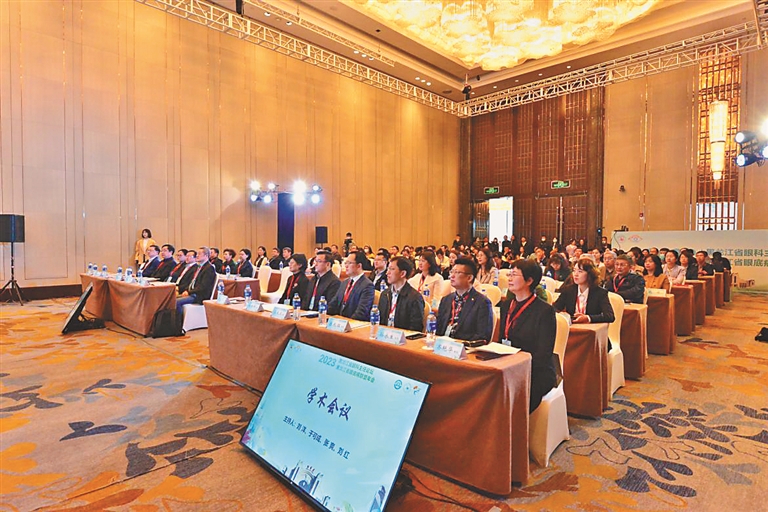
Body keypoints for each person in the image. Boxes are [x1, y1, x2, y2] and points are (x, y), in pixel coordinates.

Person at [501, 259, 557, 412]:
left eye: (514, 275)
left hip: (535, 371)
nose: (509, 278)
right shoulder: (506, 306)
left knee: (514, 394)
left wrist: (518, 368)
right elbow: (502, 340)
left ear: (529, 281)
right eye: (509, 274)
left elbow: (544, 354)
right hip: (508, 366)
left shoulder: (544, 311)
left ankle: (513, 426)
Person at [435, 258, 493, 341]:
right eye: (451, 272)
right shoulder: (446, 300)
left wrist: (458, 343)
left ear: (469, 278)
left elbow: (483, 337)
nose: (451, 276)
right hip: (442, 345)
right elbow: (438, 330)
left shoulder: (482, 303)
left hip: (464, 346)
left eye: (457, 272)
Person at [553, 258, 615, 324]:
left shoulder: (600, 292)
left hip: (590, 328)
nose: (575, 274)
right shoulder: (568, 290)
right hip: (572, 326)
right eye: (574, 271)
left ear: (590, 274)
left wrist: (588, 318)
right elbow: (555, 308)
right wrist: (564, 315)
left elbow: (610, 316)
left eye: (580, 271)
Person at [377, 257, 425, 332]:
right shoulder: (385, 294)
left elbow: (415, 328)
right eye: (388, 269)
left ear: (402, 273)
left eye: (392, 269)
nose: (387, 273)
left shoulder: (415, 298)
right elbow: (380, 321)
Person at [327, 251, 375, 321]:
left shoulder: (367, 285)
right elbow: (333, 304)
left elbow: (361, 312)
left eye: (349, 263)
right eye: (346, 263)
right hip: (340, 322)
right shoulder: (344, 282)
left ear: (359, 266)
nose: (346, 266)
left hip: (354, 324)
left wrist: (346, 323)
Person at [176, 247, 217, 316]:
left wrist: (189, 292)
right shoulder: (198, 267)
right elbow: (192, 282)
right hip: (193, 292)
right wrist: (186, 290)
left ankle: (179, 322)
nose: (197, 255)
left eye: (199, 254)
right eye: (197, 254)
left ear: (206, 255)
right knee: (172, 299)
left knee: (177, 302)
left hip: (199, 295)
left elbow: (203, 286)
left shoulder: (209, 268)